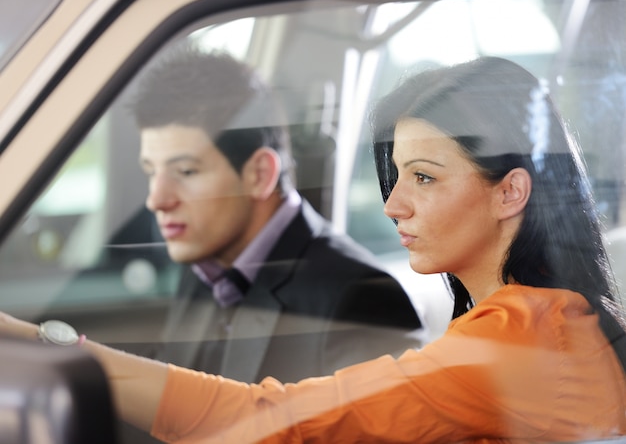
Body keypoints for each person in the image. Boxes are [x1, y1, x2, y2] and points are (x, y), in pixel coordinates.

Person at [2, 55, 626, 443]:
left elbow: (271, 421)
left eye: (425, 178)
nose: (392, 205)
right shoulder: (544, 323)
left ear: (510, 191)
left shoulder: (516, 338)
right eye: (396, 176)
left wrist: (43, 345)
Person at [122, 44, 423, 385]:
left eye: (186, 172)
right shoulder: (203, 267)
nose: (157, 200)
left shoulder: (362, 299)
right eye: (151, 172)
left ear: (259, 175)